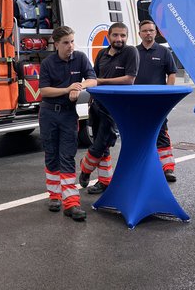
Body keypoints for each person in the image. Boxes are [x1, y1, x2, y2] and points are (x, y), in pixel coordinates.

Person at [39, 26, 97, 221]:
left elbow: (93, 80)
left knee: (67, 156)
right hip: (48, 114)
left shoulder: (80, 58)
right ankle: (54, 195)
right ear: (56, 44)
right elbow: (44, 91)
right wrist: (67, 89)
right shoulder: (48, 63)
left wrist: (79, 86)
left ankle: (71, 203)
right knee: (51, 154)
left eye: (72, 41)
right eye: (65, 42)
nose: (70, 46)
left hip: (68, 115)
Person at [79, 22, 139, 194]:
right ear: (108, 36)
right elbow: (94, 76)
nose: (119, 39)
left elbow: (129, 79)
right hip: (97, 104)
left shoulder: (130, 52)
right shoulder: (102, 54)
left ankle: (85, 168)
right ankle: (105, 181)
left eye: (123, 35)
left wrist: (101, 82)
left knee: (102, 142)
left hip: (116, 107)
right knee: (102, 145)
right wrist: (91, 98)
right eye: (115, 35)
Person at [134, 19, 178, 182]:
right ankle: (142, 167)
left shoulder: (164, 52)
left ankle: (168, 169)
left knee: (161, 134)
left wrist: (166, 95)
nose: (148, 33)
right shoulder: (133, 52)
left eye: (151, 30)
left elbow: (172, 74)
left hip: (158, 102)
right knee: (139, 135)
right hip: (137, 102)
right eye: (145, 31)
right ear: (139, 34)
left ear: (156, 32)